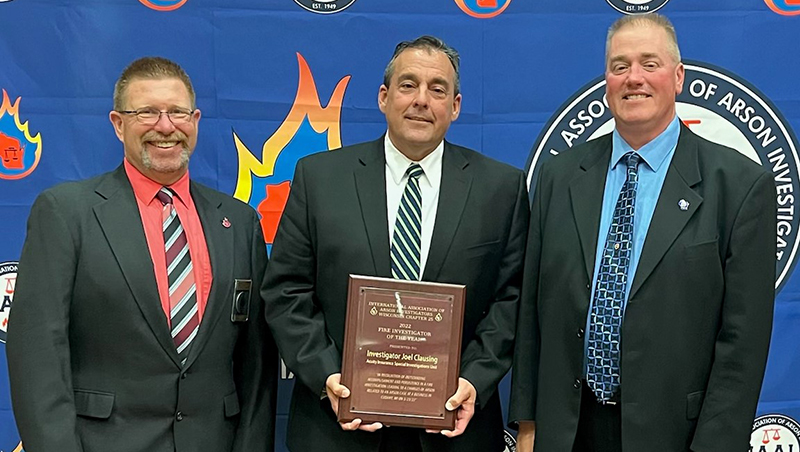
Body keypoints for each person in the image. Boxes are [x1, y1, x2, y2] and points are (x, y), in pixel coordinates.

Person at [509, 13, 775, 452]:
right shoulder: (559, 176)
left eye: (649, 63)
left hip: (676, 434)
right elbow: (533, 310)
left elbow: (742, 346)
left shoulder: (740, 185)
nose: (634, 78)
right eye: (619, 66)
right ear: (606, 82)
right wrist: (529, 422)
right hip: (567, 430)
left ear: (678, 77)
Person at [262, 35, 528, 452]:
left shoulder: (501, 188)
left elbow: (512, 299)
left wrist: (473, 380)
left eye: (437, 89)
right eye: (408, 85)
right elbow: (286, 290)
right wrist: (329, 377)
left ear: (455, 106)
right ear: (384, 98)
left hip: (454, 431)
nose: (422, 100)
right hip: (337, 430)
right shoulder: (320, 178)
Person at [6, 57, 277, 452]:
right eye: (147, 112)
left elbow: (257, 366)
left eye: (178, 113)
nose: (165, 127)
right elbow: (37, 357)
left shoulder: (238, 222)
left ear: (196, 120)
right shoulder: (66, 213)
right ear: (118, 124)